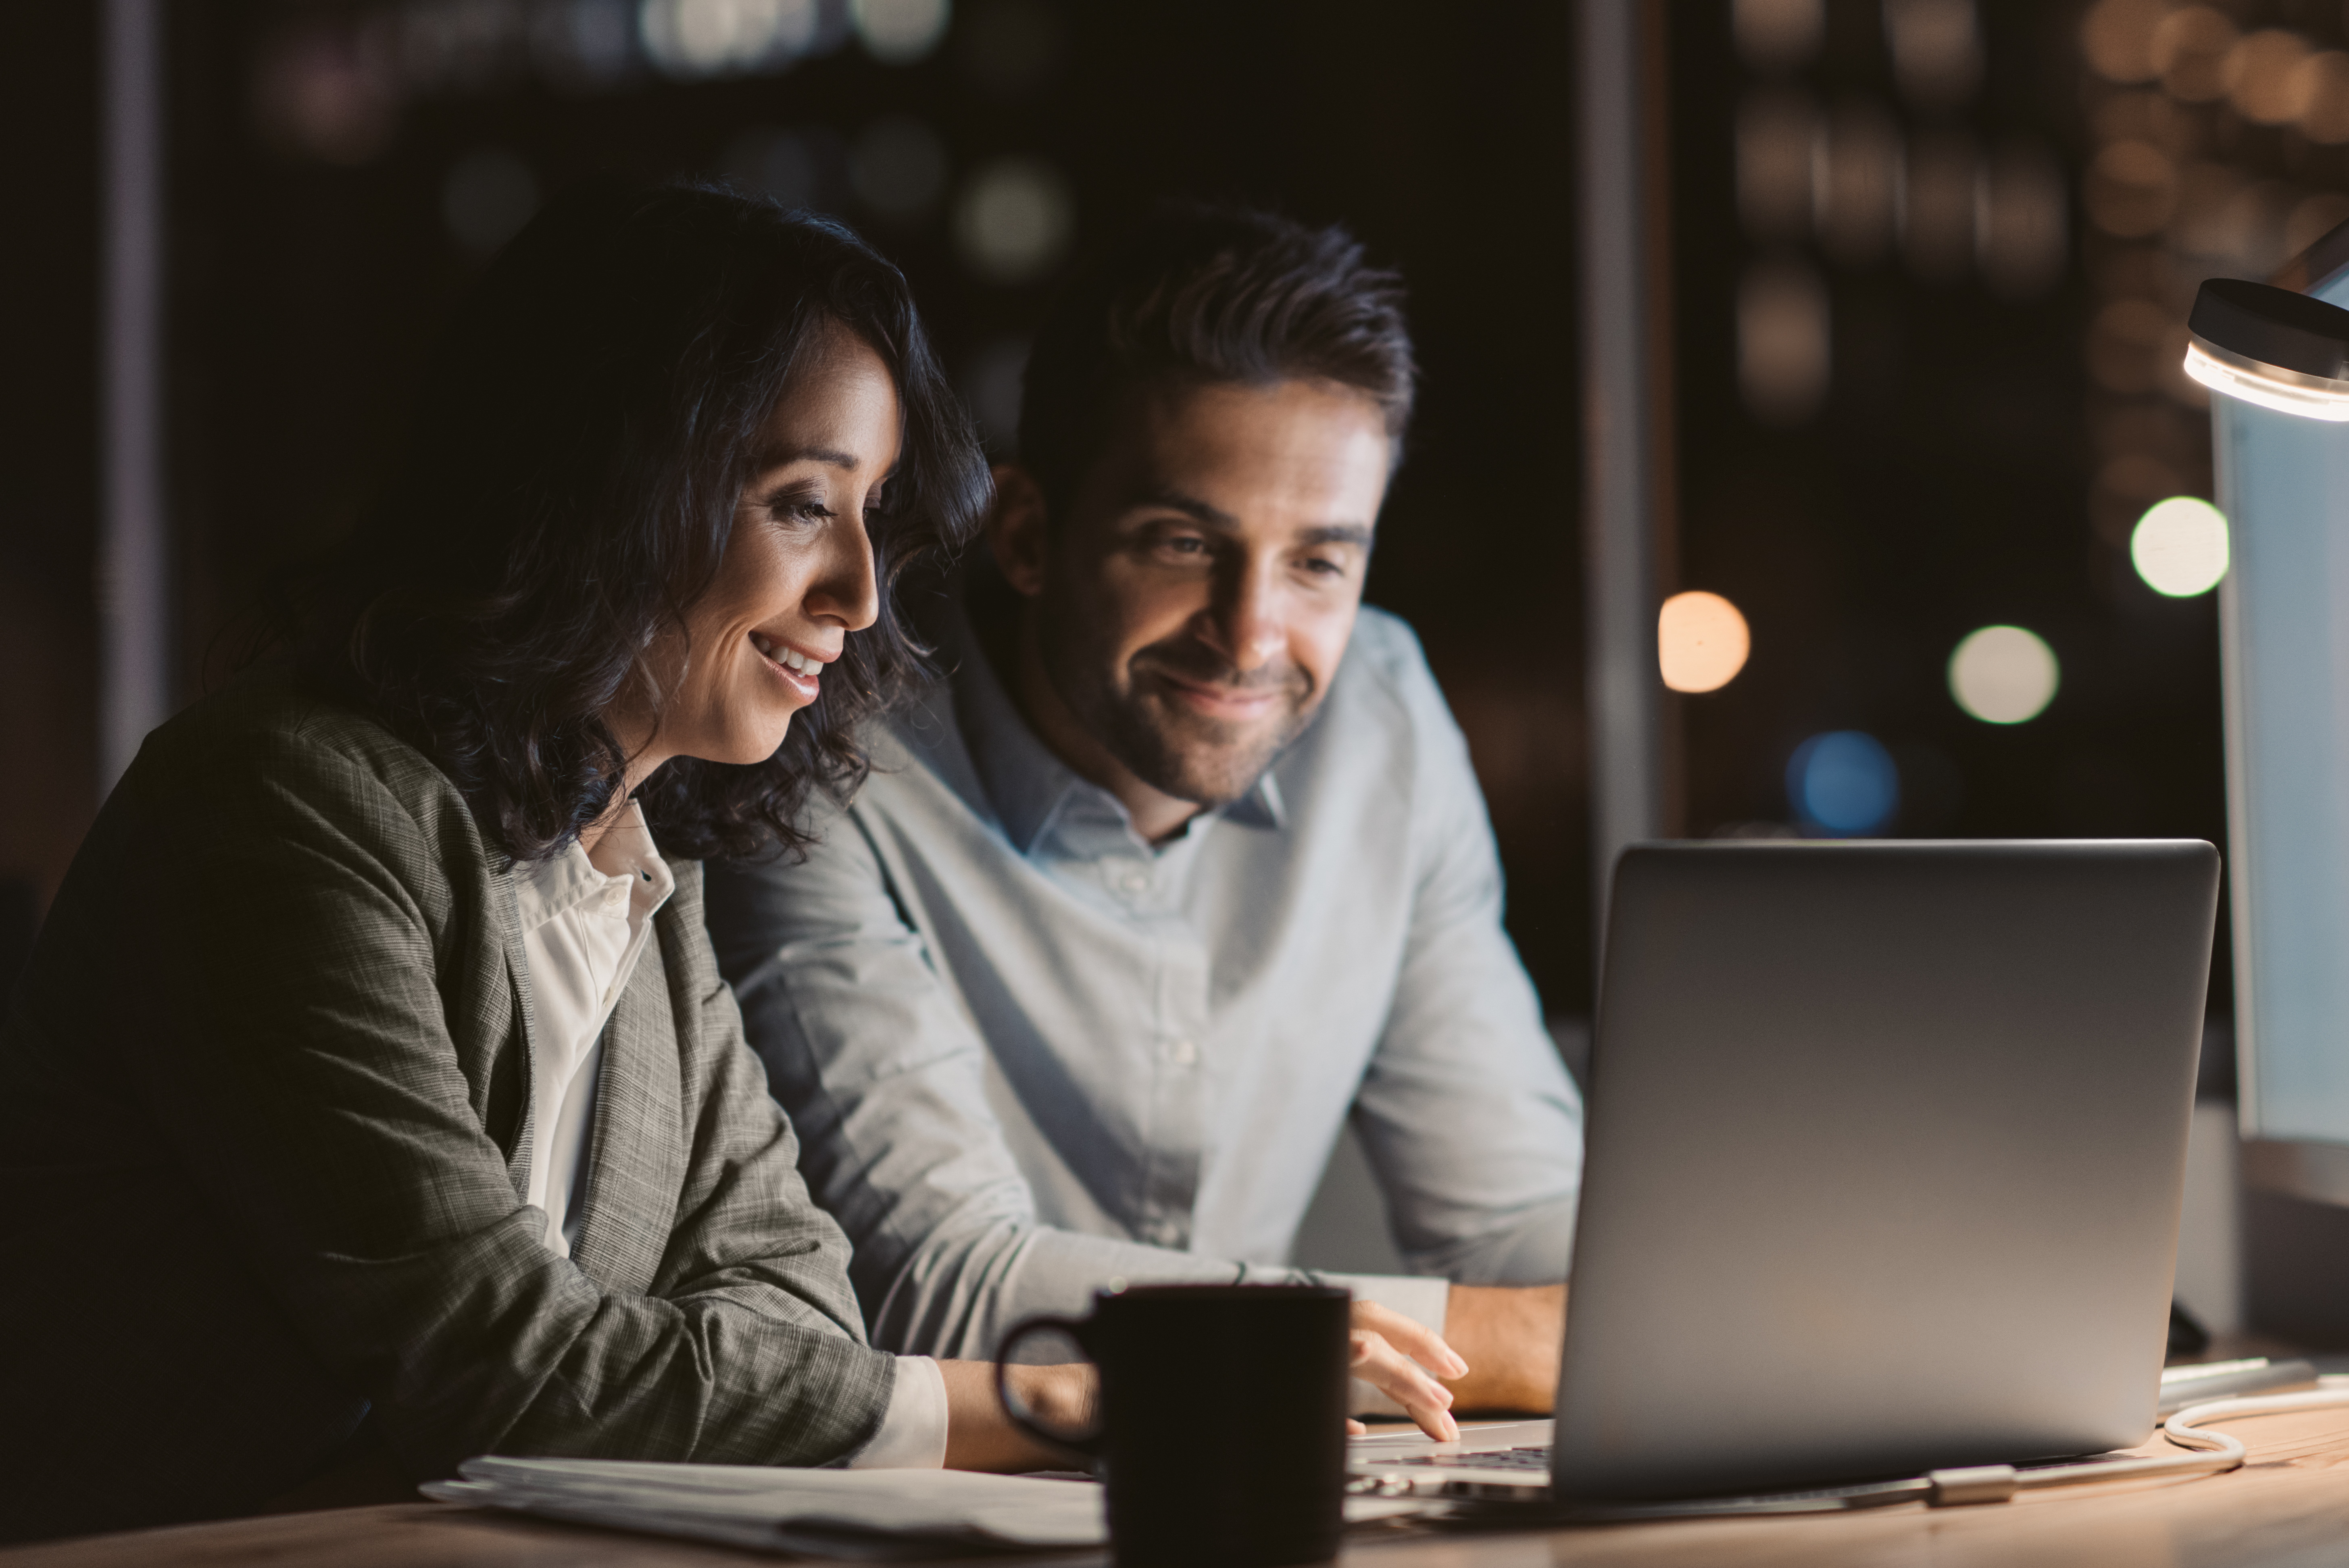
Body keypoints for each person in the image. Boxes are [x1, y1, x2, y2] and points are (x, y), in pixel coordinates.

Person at [0, 183, 1087, 1545]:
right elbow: (500, 1364)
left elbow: (796, 1299)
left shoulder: (639, 873)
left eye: (875, 513)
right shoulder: (284, 808)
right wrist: (1053, 1402)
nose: (862, 594)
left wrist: (597, 1389)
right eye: (804, 504)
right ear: (610, 485)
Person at [703, 205, 1584, 1437]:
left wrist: (1733, 1294)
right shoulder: (823, 743)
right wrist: (1501, 1337)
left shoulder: (1381, 711)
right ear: (1026, 534)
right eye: (1182, 543)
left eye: (1319, 563)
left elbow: (1514, 1218)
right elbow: (942, 1285)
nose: (1250, 635)